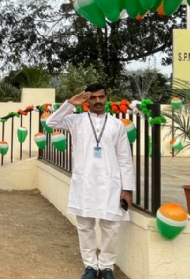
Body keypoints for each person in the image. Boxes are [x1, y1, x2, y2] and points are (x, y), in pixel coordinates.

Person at [46, 83, 134, 279]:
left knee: (110, 227)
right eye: (92, 98)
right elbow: (51, 123)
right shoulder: (76, 120)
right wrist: (70, 103)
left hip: (110, 183)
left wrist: (127, 188)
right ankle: (90, 267)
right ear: (87, 100)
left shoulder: (116, 124)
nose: (97, 101)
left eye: (101, 97)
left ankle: (107, 267)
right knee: (85, 227)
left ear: (106, 98)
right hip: (84, 183)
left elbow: (125, 158)